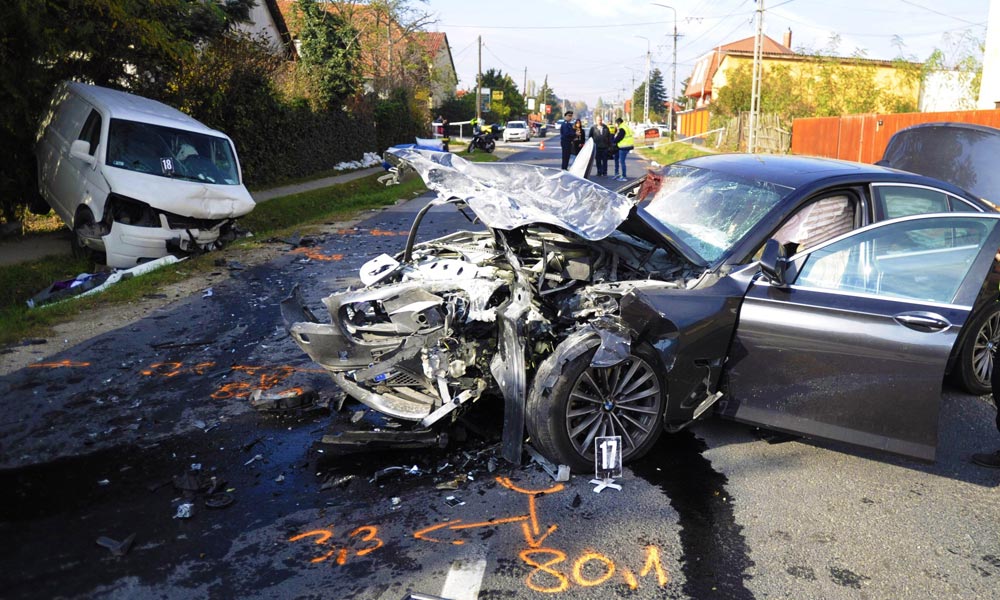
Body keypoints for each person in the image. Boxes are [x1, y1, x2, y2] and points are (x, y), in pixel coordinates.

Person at [613, 117, 634, 181]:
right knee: (618, 159)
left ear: (618, 123)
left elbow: (619, 137)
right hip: (626, 146)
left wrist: (613, 141)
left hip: (624, 147)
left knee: (622, 161)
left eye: (616, 123)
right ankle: (617, 174)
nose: (615, 125)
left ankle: (624, 176)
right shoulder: (625, 126)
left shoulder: (622, 128)